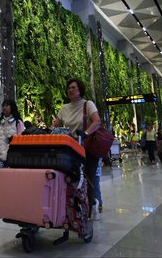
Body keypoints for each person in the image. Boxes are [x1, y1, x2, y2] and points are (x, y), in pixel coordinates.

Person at [53, 78, 101, 224]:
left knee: (87, 180)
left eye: (74, 87)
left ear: (80, 90)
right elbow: (55, 125)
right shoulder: (64, 108)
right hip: (70, 149)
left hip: (87, 148)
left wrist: (85, 133)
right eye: (69, 88)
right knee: (70, 179)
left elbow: (97, 121)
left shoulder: (88, 104)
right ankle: (73, 207)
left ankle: (92, 205)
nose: (70, 90)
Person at [0, 99, 25, 168]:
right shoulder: (0, 122)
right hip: (1, 156)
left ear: (12, 107)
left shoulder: (18, 122)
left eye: (7, 105)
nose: (4, 107)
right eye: (3, 106)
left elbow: (21, 139)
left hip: (14, 156)